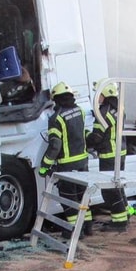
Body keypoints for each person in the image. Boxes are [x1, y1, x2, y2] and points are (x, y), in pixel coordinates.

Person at [39, 82, 93, 237]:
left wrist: (44, 167)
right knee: (83, 196)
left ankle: (75, 231)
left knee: (69, 199)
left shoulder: (56, 118)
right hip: (83, 162)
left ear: (56, 99)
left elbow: (55, 146)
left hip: (67, 165)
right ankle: (87, 227)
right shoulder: (80, 111)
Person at [86, 81, 128, 232]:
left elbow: (96, 137)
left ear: (106, 94)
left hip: (109, 155)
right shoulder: (119, 109)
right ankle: (125, 215)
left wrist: (84, 138)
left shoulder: (103, 113)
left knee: (109, 190)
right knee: (118, 186)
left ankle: (119, 222)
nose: (97, 98)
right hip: (120, 153)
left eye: (99, 94)